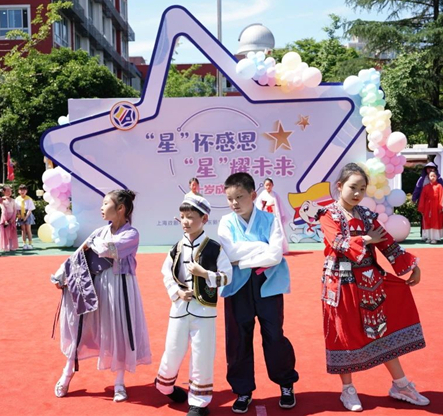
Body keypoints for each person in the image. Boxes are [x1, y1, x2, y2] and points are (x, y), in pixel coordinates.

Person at [316, 163, 428, 412]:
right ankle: (348, 389)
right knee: (343, 335)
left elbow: (387, 242)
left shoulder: (366, 215)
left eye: (362, 189)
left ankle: (400, 385)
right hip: (340, 286)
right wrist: (367, 239)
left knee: (382, 331)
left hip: (370, 282)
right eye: (352, 187)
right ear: (339, 186)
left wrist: (412, 265)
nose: (357, 193)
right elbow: (338, 243)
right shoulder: (328, 214)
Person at [51, 189, 151, 402]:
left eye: (106, 203)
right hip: (94, 286)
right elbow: (78, 255)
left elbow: (109, 249)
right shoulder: (99, 232)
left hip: (120, 287)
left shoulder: (131, 234)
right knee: (82, 328)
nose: (102, 208)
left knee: (120, 331)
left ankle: (119, 383)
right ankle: (67, 374)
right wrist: (60, 275)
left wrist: (91, 244)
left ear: (120, 208)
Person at [218, 172, 298, 413]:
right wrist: (260, 248)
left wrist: (241, 260)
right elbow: (229, 253)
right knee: (238, 339)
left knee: (274, 336)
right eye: (230, 198)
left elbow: (275, 255)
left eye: (239, 197)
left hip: (268, 284)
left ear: (253, 195)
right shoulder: (226, 222)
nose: (234, 203)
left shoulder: (270, 219)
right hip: (237, 287)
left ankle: (286, 383)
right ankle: (242, 390)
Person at [155, 195, 232, 416]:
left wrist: (205, 273)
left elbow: (227, 276)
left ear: (204, 218)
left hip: (205, 311)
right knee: (172, 351)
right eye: (182, 217)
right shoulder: (176, 248)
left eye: (190, 217)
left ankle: (199, 402)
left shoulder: (214, 248)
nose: (185, 222)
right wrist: (177, 292)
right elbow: (166, 274)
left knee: (202, 356)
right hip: (179, 308)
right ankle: (164, 385)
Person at [255, 178, 290, 254]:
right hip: (265, 216)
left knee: (277, 231)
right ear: (264, 186)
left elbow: (280, 206)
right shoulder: (261, 195)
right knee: (266, 232)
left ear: (272, 185)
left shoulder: (275, 195)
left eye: (269, 185)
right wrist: (262, 208)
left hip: (274, 215)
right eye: (266, 185)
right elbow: (258, 206)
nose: (268, 187)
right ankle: (266, 248)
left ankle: (279, 248)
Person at [411, 162, 443, 240]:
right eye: (428, 168)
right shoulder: (422, 178)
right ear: (425, 169)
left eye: (432, 168)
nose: (430, 169)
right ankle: (425, 235)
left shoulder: (439, 179)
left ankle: (435, 236)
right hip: (424, 201)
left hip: (436, 203)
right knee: (425, 219)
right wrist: (414, 198)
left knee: (436, 219)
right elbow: (417, 188)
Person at [417, 170, 443, 244]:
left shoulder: (439, 186)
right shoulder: (425, 187)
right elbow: (422, 198)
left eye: (434, 176)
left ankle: (435, 237)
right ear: (428, 177)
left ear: (436, 177)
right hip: (427, 206)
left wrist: (440, 207)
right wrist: (422, 207)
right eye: (431, 176)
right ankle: (428, 237)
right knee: (427, 220)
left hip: (436, 206)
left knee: (435, 221)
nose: (432, 177)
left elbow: (441, 197)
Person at [16, 184, 36, 250]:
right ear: (18, 191)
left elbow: (30, 209)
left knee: (28, 229)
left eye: (24, 190)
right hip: (20, 214)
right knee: (23, 229)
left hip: (28, 214)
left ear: (26, 191)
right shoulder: (17, 199)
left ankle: (30, 243)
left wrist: (26, 217)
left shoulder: (29, 199)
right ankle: (24, 243)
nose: (22, 192)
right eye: (21, 190)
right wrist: (19, 215)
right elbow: (17, 209)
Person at [0, 185, 18, 252]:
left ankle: (12, 246)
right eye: (7, 191)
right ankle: (5, 246)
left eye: (10, 191)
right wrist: (5, 220)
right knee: (5, 233)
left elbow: (15, 210)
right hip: (5, 217)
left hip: (12, 217)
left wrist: (13, 218)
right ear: (3, 192)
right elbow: (3, 210)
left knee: (12, 232)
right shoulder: (1, 200)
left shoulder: (13, 200)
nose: (9, 192)